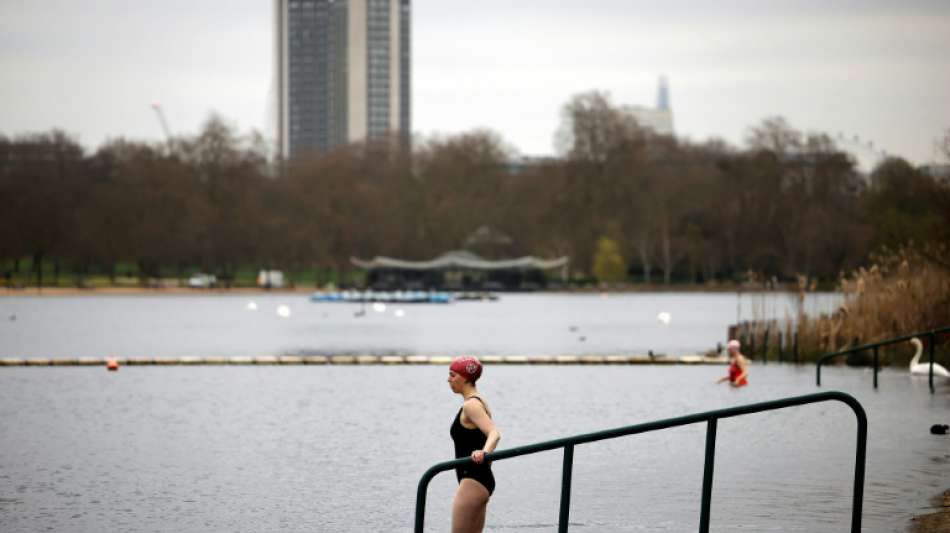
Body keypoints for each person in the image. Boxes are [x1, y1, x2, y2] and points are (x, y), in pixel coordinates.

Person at [447, 356, 501, 533]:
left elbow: (494, 433)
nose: (449, 379)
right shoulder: (479, 401)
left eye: (452, 375)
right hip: (479, 479)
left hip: (473, 479)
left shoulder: (472, 405)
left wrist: (484, 453)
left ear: (465, 378)